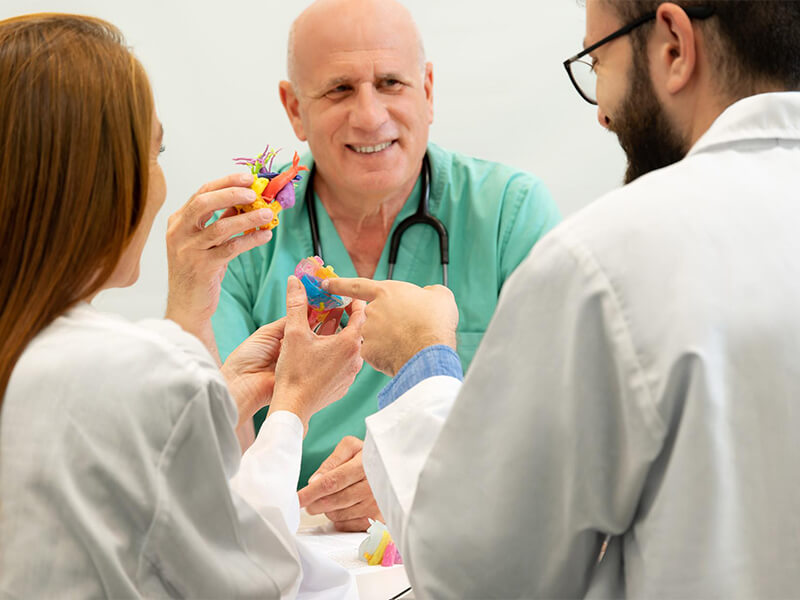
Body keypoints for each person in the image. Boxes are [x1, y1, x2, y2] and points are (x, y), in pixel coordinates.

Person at [326, 0, 800, 596]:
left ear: (674, 47)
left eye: (597, 62)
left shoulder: (604, 261)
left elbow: (481, 578)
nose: (602, 114)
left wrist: (421, 363)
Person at [0, 14, 363, 598]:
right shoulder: (134, 370)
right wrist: (293, 407)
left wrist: (221, 386)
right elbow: (262, 581)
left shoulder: (51, 358)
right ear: (103, 179)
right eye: (156, 151)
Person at [211, 0, 562, 532]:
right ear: (294, 108)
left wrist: (411, 469)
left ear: (428, 90)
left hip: (463, 529)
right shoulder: (249, 230)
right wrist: (190, 293)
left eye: (391, 83)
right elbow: (209, 449)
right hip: (292, 540)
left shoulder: (508, 216)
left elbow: (559, 425)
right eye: (339, 89)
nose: (370, 116)